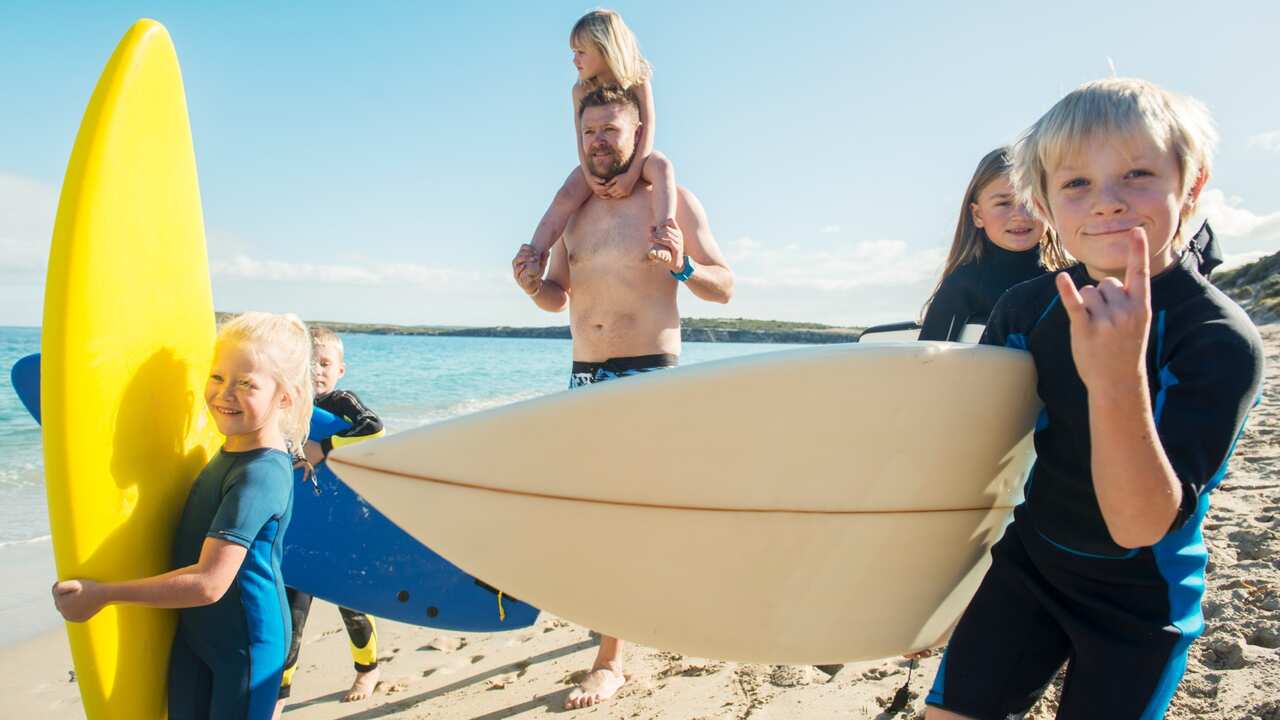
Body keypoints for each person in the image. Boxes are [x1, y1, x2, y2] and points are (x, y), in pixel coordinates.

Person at [925, 78, 1265, 719]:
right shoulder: (1026, 308)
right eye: (1075, 183)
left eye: (1137, 173)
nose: (1106, 202)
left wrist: (1114, 377)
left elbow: (1139, 526)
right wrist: (937, 588)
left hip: (1141, 599)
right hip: (1031, 566)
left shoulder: (1216, 338)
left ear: (1191, 186)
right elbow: (976, 455)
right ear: (1046, 204)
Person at [511, 84, 734, 709]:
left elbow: (726, 286)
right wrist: (533, 287)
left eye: (611, 130)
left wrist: (683, 267)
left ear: (638, 135)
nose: (599, 141)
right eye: (590, 133)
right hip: (585, 376)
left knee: (624, 517)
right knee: (598, 515)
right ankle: (628, 624)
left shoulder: (670, 204)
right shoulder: (574, 213)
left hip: (649, 374)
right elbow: (559, 295)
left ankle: (610, 661)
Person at [53, 312, 313, 720]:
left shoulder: (260, 473)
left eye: (246, 384)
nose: (225, 394)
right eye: (217, 377)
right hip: (198, 632)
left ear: (285, 397)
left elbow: (209, 583)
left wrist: (101, 595)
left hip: (246, 644)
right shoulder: (230, 449)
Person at [274, 326, 386, 717]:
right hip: (300, 528)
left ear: (340, 369)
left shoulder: (342, 402)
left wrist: (325, 445)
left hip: (342, 527)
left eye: (324, 363)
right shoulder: (287, 405)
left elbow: (375, 428)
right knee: (290, 616)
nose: (316, 371)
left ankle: (367, 671)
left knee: (352, 606)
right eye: (309, 363)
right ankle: (280, 692)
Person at [523, 8, 677, 270]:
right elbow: (580, 136)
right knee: (566, 193)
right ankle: (533, 254)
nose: (574, 60)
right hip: (598, 160)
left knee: (662, 166)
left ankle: (665, 237)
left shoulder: (637, 79)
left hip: (638, 155)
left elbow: (648, 126)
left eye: (580, 52)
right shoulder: (580, 90)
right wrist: (587, 173)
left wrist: (633, 174)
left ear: (605, 49)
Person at [918, 147, 1063, 341]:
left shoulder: (1070, 280)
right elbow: (929, 362)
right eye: (1003, 203)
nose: (1020, 216)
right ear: (978, 215)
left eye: (1030, 202)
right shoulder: (963, 285)